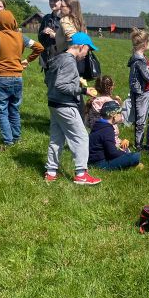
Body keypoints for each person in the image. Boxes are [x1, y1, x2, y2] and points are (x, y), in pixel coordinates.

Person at [43, 32, 101, 185]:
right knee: (81, 137)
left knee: (57, 138)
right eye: (88, 49)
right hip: (65, 105)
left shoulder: (59, 58)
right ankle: (81, 174)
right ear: (81, 46)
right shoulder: (69, 62)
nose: (87, 53)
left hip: (54, 103)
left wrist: (75, 82)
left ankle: (51, 172)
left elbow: (49, 80)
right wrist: (83, 90)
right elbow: (61, 85)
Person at [0, 10, 44, 149]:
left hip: (2, 77)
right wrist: (26, 60)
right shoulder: (20, 36)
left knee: (2, 110)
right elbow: (39, 47)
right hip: (17, 77)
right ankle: (16, 137)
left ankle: (8, 141)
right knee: (14, 109)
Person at [127, 28, 149, 150]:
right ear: (144, 44)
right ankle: (138, 145)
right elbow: (148, 76)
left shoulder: (142, 57)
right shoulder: (139, 60)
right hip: (141, 94)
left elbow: (144, 73)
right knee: (141, 121)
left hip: (148, 91)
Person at [88, 101, 141, 171]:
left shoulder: (99, 125)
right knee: (135, 157)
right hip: (100, 164)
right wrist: (125, 154)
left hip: (92, 160)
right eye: (119, 113)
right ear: (113, 115)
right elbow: (112, 153)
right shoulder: (107, 130)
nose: (121, 115)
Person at [38, 0, 64, 70]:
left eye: (55, 1)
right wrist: (43, 32)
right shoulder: (46, 18)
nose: (52, 3)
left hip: (62, 59)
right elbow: (40, 38)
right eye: (50, 0)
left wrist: (56, 36)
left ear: (62, 2)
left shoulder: (66, 19)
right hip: (47, 58)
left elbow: (71, 40)